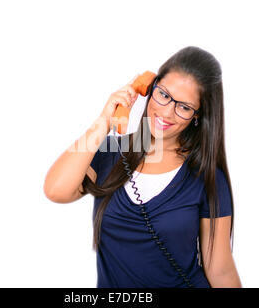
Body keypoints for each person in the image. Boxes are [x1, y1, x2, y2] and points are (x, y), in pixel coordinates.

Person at [43, 46, 242, 288]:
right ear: (149, 87)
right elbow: (55, 190)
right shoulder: (111, 153)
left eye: (185, 107)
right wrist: (105, 121)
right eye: (164, 95)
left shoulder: (205, 176)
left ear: (197, 116)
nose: (167, 112)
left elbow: (220, 271)